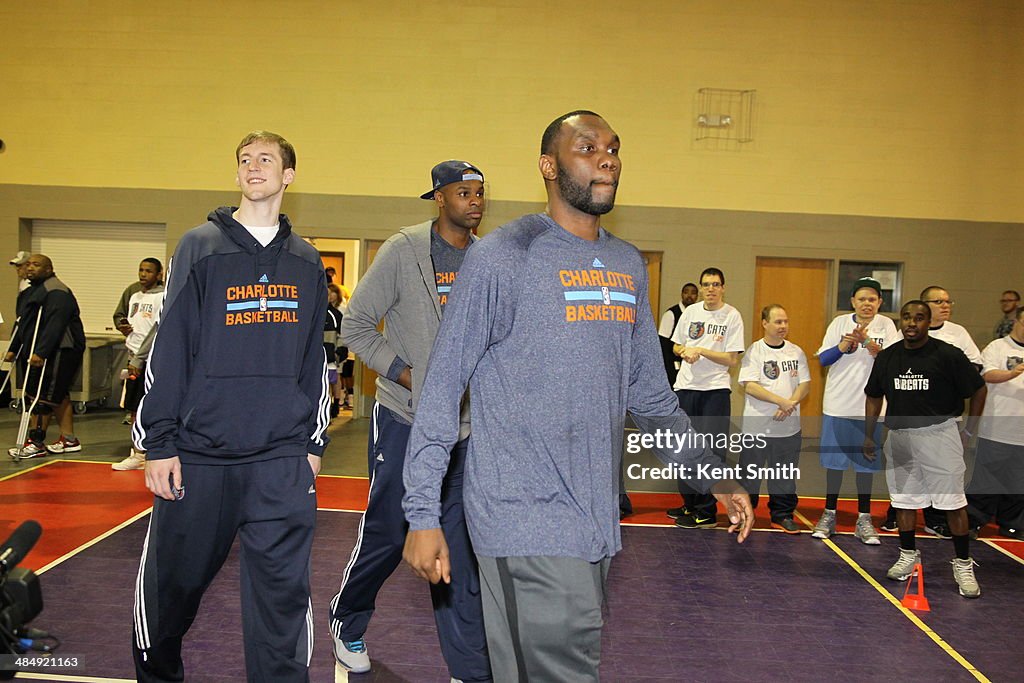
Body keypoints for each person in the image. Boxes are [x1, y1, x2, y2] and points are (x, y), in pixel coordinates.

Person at [402, 111, 753, 682]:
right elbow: (441, 386)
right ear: (549, 165)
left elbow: (652, 399)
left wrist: (712, 474)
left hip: (593, 524)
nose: (606, 157)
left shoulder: (626, 265)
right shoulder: (503, 257)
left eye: (613, 148)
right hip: (522, 518)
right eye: (587, 147)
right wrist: (421, 512)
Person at [130, 131, 330, 682]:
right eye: (245, 159)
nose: (254, 166)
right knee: (171, 592)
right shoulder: (200, 246)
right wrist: (159, 442)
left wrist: (311, 444)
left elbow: (314, 358)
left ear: (289, 175)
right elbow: (169, 349)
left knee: (283, 603)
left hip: (279, 459)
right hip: (199, 456)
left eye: (267, 159)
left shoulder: (307, 260)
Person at [327, 160, 490, 681]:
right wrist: (409, 375)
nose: (475, 201)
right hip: (405, 419)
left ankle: (467, 667)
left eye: (480, 193)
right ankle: (348, 619)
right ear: (439, 198)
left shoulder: (490, 259)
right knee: (389, 531)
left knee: (459, 543)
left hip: (468, 430)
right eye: (464, 192)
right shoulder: (403, 251)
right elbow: (355, 328)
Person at [864, 301, 986, 598]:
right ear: (901, 321)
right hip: (901, 436)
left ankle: (963, 563)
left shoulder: (948, 355)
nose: (912, 323)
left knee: (953, 503)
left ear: (928, 322)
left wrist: (970, 428)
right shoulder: (888, 357)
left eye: (919, 318)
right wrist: (869, 434)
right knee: (904, 501)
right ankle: (908, 554)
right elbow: (873, 396)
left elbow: (979, 389)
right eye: (907, 317)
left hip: (940, 434)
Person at [881, 285, 982, 537]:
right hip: (902, 428)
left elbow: (976, 378)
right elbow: (879, 386)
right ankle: (906, 550)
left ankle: (960, 557)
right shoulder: (895, 349)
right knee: (905, 494)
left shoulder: (954, 342)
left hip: (941, 426)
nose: (945, 306)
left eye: (948, 301)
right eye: (939, 301)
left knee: (949, 494)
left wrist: (970, 428)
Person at [811, 277, 900, 544]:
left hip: (871, 410)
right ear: (852, 301)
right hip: (838, 405)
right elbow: (824, 359)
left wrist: (870, 344)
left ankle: (864, 519)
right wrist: (845, 344)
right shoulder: (839, 323)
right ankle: (829, 515)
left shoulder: (887, 325)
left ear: (880, 302)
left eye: (872, 299)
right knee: (834, 466)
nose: (867, 304)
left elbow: (893, 361)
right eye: (862, 299)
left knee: (866, 465)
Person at [668, 267, 745, 528]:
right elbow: (676, 345)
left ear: (723, 287)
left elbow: (732, 359)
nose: (710, 289)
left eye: (715, 284)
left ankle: (707, 510)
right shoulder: (690, 313)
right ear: (701, 288)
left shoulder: (732, 316)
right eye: (706, 284)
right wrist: (684, 352)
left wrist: (700, 350)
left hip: (715, 391)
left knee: (710, 451)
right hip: (686, 388)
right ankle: (690, 504)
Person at [738, 304, 810, 533]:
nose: (783, 326)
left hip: (788, 429)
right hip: (757, 428)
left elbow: (805, 384)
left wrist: (791, 403)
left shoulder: (796, 352)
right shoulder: (754, 352)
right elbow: (749, 385)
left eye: (786, 322)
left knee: (784, 475)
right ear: (765, 323)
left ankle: (782, 515)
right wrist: (781, 401)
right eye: (778, 322)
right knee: (749, 476)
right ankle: (744, 514)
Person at [5, 254, 86, 458]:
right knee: (58, 395)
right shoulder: (33, 291)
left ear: (49, 269)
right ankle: (69, 440)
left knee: (42, 396)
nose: (30, 268)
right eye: (29, 264)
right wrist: (14, 347)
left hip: (60, 349)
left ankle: (36, 441)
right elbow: (23, 322)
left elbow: (55, 325)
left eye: (36, 265)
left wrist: (41, 352)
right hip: (42, 349)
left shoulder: (56, 291)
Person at [967, 305, 1024, 539]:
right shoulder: (998, 347)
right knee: (986, 479)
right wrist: (1013, 372)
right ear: (1016, 323)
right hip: (997, 428)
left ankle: (1012, 523)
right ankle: (974, 520)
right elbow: (986, 374)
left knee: (1018, 482)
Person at [110, 258, 164, 470]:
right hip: (132, 353)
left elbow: (156, 330)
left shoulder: (162, 297)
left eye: (149, 271)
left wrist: (140, 358)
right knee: (133, 408)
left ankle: (144, 452)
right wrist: (122, 326)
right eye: (141, 270)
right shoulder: (133, 293)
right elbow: (122, 316)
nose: (143, 274)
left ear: (159, 274)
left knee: (146, 407)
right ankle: (137, 451)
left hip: (149, 357)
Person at [658, 282, 698, 384]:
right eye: (686, 292)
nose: (689, 296)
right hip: (673, 367)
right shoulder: (671, 314)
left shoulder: (698, 316)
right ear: (681, 294)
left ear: (697, 296)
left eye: (693, 293)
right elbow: (663, 343)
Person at [326, 283, 344, 418]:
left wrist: (338, 354)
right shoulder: (312, 312)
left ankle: (335, 404)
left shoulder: (336, 314)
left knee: (334, 379)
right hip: (320, 357)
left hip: (332, 356)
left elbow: (342, 335)